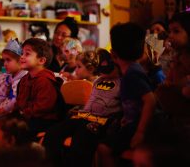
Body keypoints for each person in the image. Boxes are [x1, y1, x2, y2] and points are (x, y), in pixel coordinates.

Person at [43, 49, 122, 167]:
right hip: (85, 116)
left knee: (81, 140)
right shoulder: (99, 81)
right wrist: (82, 111)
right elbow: (92, 99)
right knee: (52, 133)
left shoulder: (122, 83)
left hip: (101, 121)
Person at [96, 22, 157, 167]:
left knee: (103, 148)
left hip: (138, 127)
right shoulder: (130, 70)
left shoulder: (132, 74)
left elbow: (150, 100)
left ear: (113, 53)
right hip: (130, 123)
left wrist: (140, 132)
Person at [14, 38, 64, 138]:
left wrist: (24, 112)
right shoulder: (24, 79)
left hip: (44, 121)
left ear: (41, 60)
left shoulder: (45, 80)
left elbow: (43, 107)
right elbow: (20, 101)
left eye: (27, 54)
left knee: (17, 129)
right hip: (29, 117)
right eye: (22, 53)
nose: (22, 57)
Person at [155, 12, 190, 132]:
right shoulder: (177, 57)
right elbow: (169, 80)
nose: (170, 36)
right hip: (176, 120)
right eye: (170, 31)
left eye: (176, 31)